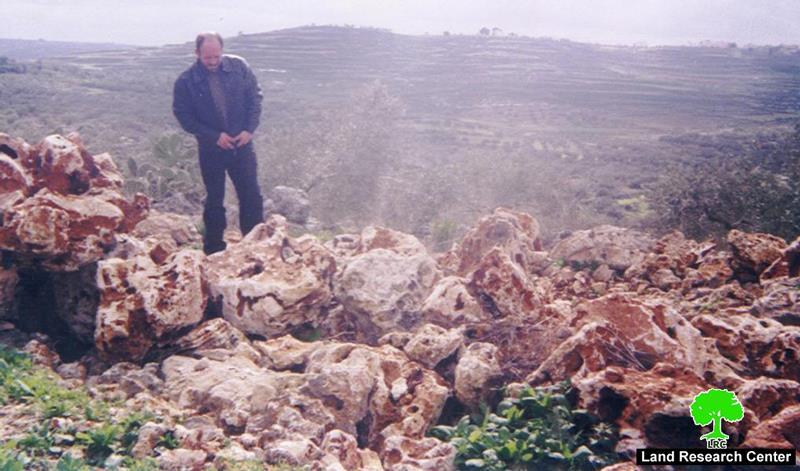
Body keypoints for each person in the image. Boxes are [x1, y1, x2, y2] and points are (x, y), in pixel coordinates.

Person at [173, 32, 264, 255]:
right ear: (197, 54)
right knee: (215, 199)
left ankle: (255, 245)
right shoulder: (186, 81)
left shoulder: (239, 67)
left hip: (241, 144)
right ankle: (213, 249)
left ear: (222, 51)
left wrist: (248, 130)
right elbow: (184, 117)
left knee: (250, 194)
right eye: (207, 58)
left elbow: (255, 98)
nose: (213, 62)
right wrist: (214, 136)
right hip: (211, 149)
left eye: (216, 56)